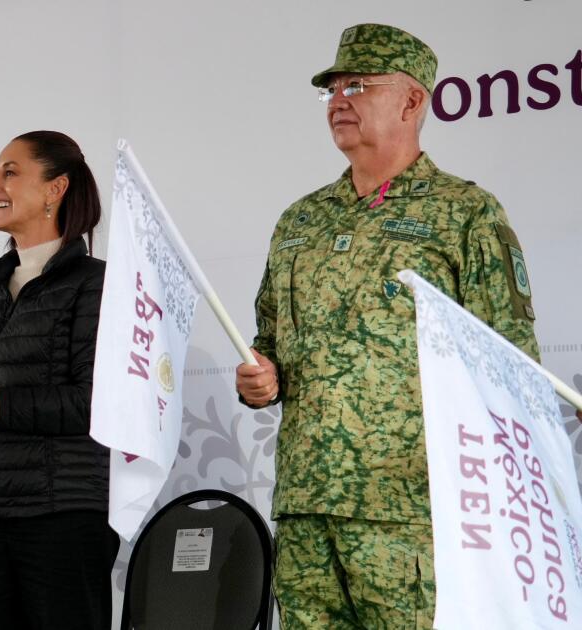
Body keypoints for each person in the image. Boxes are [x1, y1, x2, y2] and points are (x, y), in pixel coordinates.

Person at [235, 24, 540, 629]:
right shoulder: (300, 221)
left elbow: (510, 364)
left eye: (358, 85)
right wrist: (260, 380)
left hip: (412, 513)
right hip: (303, 508)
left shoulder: (463, 213)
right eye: (332, 89)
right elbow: (268, 344)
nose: (339, 100)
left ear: (411, 101)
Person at [0, 130, 116, 630]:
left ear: (56, 189)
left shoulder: (96, 283)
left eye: (9, 172)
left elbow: (95, 403)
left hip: (64, 513)